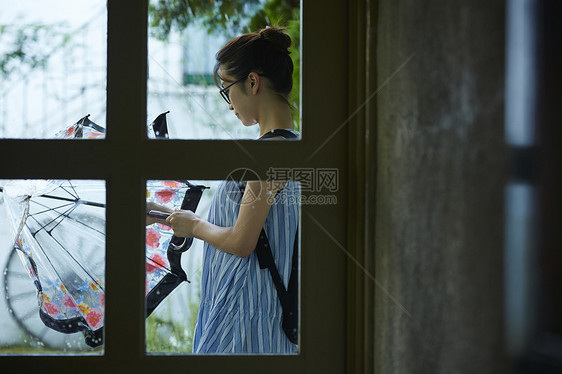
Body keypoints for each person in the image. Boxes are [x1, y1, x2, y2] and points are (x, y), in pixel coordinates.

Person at [146, 26, 300, 354]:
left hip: (244, 317)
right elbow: (258, 228)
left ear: (253, 82)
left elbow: (242, 242)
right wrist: (170, 216)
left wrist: (195, 227)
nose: (229, 104)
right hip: (260, 314)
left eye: (227, 90)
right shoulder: (296, 145)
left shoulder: (268, 154)